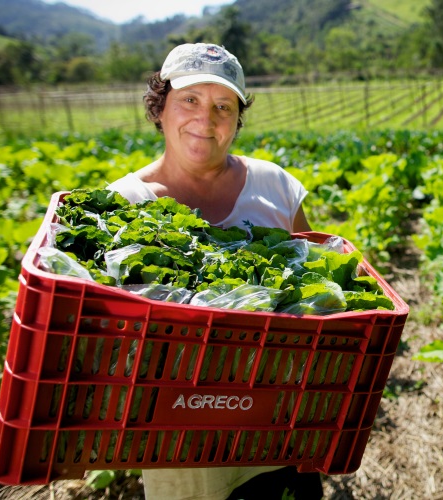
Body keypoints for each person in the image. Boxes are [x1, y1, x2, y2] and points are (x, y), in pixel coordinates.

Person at [106, 42, 321, 500]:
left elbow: (316, 281)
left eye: (223, 106)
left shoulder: (275, 186)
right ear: (159, 107)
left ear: (237, 119)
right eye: (190, 100)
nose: (206, 120)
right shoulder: (123, 205)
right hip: (178, 439)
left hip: (277, 419)